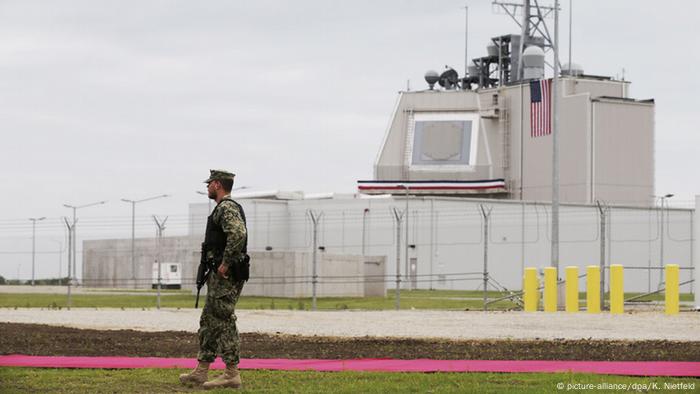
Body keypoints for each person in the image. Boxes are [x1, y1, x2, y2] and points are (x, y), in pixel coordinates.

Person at [180, 169, 248, 390]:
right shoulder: (223, 208)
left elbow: (238, 233)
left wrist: (225, 263)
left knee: (224, 319)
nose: (207, 187)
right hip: (219, 275)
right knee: (209, 320)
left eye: (209, 183)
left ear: (217, 185)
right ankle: (201, 371)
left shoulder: (226, 207)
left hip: (226, 276)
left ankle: (231, 373)